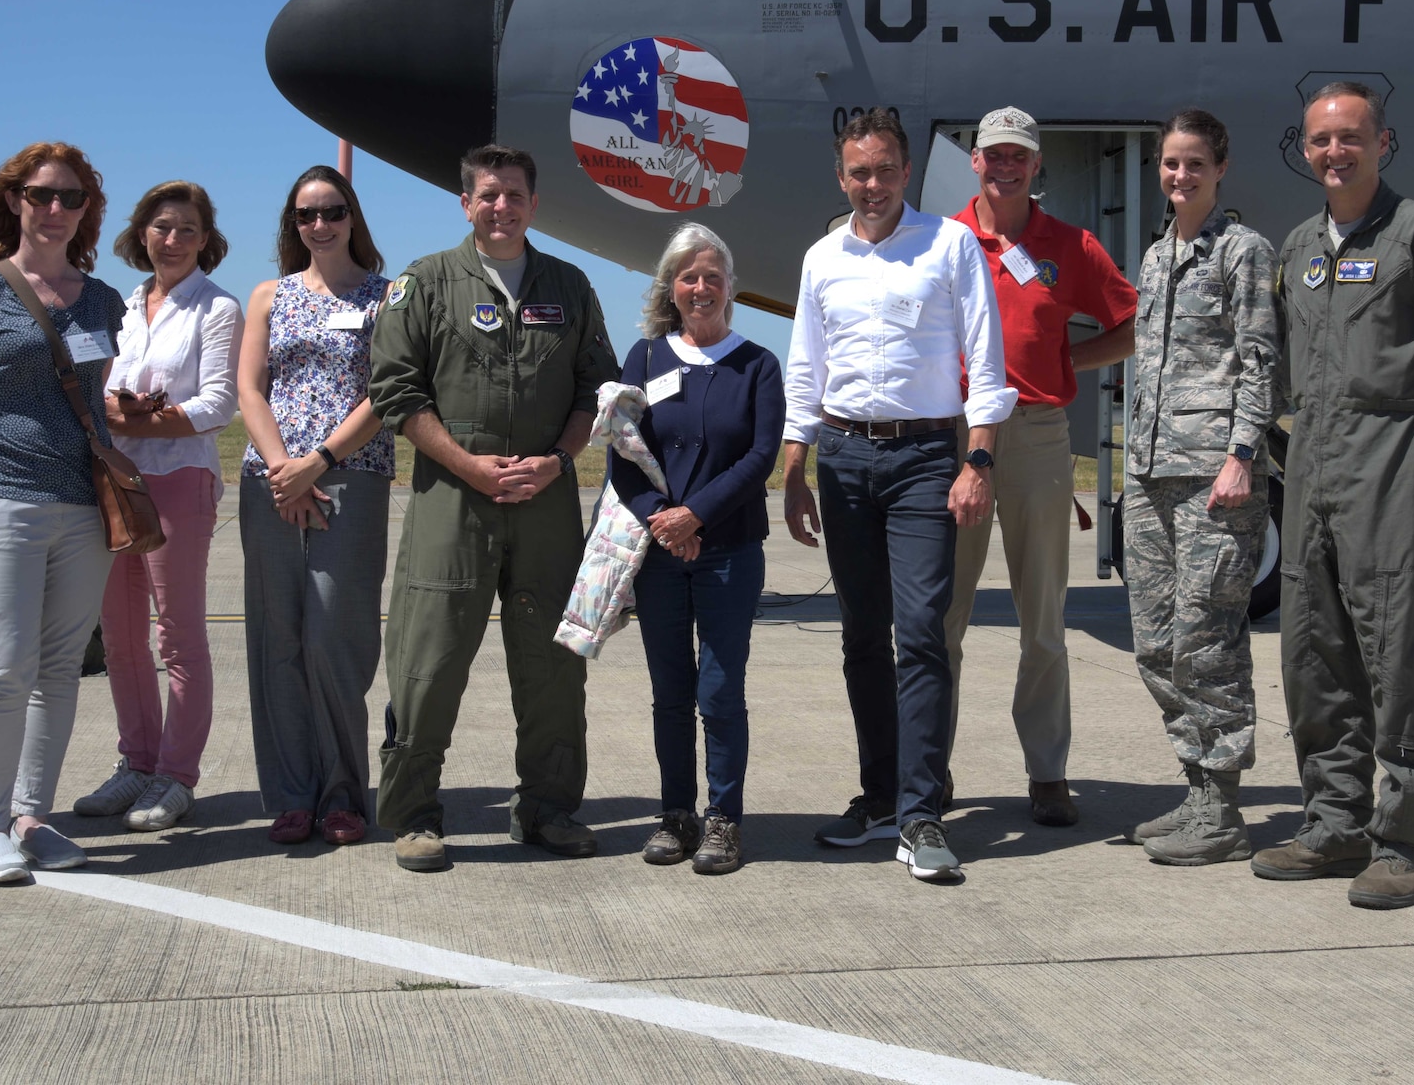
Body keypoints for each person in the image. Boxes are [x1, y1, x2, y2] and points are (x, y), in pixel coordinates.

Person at [1255, 81, 1414, 908]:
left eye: (1350, 137)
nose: (1335, 152)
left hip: (1392, 458)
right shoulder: (1298, 246)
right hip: (1314, 465)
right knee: (1313, 645)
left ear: (1382, 143)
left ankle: (1405, 840)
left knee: (1398, 648)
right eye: (1321, 140)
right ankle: (1334, 822)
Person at [367, 144, 619, 873]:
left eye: (514, 194)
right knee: (429, 658)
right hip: (453, 496)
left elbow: (593, 391)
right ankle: (414, 813)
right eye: (487, 194)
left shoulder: (569, 286)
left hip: (544, 498)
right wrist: (468, 465)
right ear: (466, 204)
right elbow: (396, 391)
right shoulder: (426, 282)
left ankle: (548, 807)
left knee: (552, 665)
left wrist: (559, 461)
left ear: (534, 204)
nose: (501, 206)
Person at [782, 110, 1016, 883]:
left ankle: (921, 814)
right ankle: (879, 795)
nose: (872, 185)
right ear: (841, 176)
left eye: (884, 170)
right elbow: (806, 370)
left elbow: (986, 362)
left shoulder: (949, 247)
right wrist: (794, 466)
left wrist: (976, 460)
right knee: (860, 635)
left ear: (906, 172)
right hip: (844, 459)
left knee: (919, 632)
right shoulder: (821, 258)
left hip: (924, 458)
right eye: (859, 173)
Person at [0, 142, 128, 885]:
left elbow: (95, 397)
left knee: (59, 671)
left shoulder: (102, 299)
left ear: (86, 210)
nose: (55, 209)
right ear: (16, 200)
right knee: (3, 669)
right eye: (42, 194)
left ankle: (32, 816)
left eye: (71, 197)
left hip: (82, 506)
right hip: (3, 501)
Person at [942, 106, 1139, 829]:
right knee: (943, 617)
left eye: (1018, 155)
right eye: (993, 153)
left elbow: (1130, 322)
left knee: (1044, 619)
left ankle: (1048, 771)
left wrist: (1069, 361)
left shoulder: (1070, 246)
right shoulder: (944, 240)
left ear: (1035, 164)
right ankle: (931, 765)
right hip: (955, 436)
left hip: (1037, 434)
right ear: (975, 161)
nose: (1005, 165)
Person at [1121, 109, 1279, 866]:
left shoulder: (1242, 252)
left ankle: (1223, 807)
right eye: (1169, 163)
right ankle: (1195, 789)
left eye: (1193, 163)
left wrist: (1243, 452)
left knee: (1207, 642)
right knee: (1155, 643)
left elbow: (1260, 360)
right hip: (1152, 475)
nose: (1179, 175)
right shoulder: (1156, 257)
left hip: (1215, 478)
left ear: (1220, 168)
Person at [610, 223, 784, 876]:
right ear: (672, 288)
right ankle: (675, 813)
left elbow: (760, 454)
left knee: (719, 688)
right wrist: (662, 519)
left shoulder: (757, 364)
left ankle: (724, 819)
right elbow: (623, 450)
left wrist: (696, 516)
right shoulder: (646, 358)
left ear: (730, 288)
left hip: (729, 547)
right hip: (659, 551)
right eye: (689, 276)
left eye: (713, 275)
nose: (701, 286)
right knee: (670, 691)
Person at [74, 182, 240, 833]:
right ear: (141, 232)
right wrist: (114, 412)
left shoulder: (217, 308)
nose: (173, 239)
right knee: (119, 633)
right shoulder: (117, 307)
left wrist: (147, 421)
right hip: (117, 482)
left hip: (178, 481)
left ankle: (176, 773)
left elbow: (219, 404)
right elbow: (98, 391)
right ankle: (136, 761)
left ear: (206, 239)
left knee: (177, 634)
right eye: (162, 226)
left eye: (188, 229)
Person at [236, 166, 392, 849]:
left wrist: (317, 464)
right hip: (269, 481)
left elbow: (386, 392)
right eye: (306, 214)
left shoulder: (387, 297)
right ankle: (293, 793)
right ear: (292, 223)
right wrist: (282, 471)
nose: (320, 224)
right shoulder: (270, 295)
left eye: (332, 211)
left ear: (352, 216)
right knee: (279, 637)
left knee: (334, 637)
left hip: (349, 473)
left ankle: (343, 793)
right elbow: (249, 387)